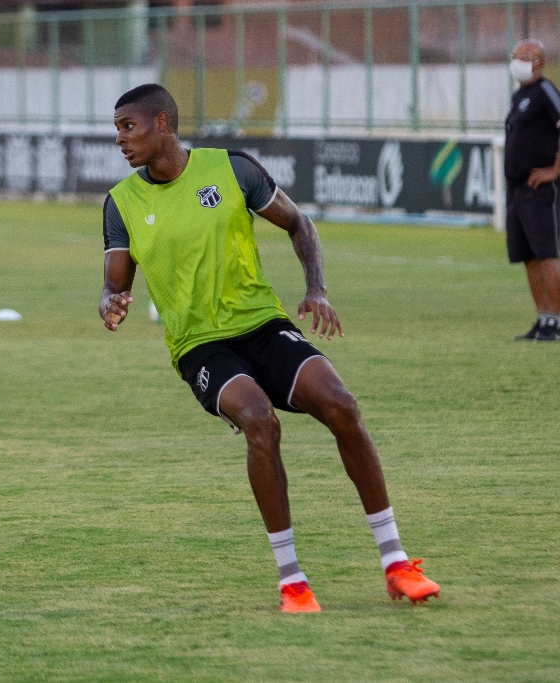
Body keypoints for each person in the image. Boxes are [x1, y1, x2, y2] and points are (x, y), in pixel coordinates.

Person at [98, 83, 440, 613]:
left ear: (162, 123)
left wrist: (316, 288)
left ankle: (397, 564)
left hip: (261, 323)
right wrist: (111, 302)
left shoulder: (232, 169)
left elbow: (299, 223)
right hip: (201, 346)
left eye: (128, 126)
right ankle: (293, 581)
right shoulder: (121, 203)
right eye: (117, 128)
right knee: (259, 418)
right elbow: (114, 283)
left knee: (342, 405)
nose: (120, 139)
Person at [505, 38, 560, 342]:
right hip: (517, 189)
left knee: (547, 253)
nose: (519, 61)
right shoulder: (520, 96)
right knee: (528, 256)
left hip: (540, 188)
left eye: (525, 56)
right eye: (515, 56)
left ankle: (556, 320)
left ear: (540, 62)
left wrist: (555, 169)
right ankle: (543, 319)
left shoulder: (545, 91)